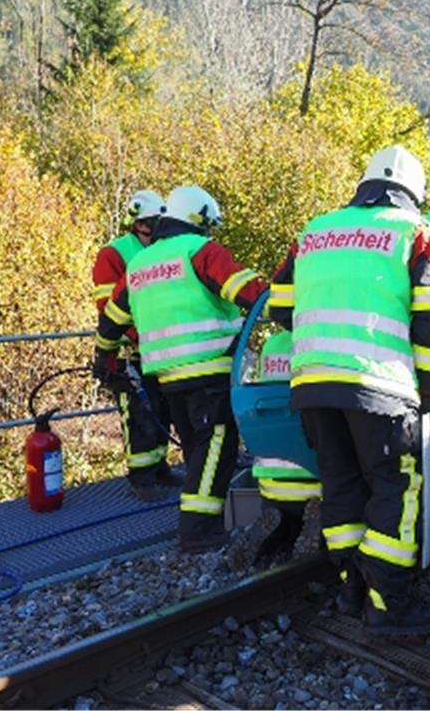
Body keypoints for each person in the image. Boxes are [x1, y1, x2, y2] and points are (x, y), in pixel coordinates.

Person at [268, 145, 430, 636]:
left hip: (312, 385)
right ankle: (390, 604)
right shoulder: (417, 232)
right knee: (396, 485)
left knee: (342, 484)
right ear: (414, 193)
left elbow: (279, 309)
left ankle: (351, 588)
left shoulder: (314, 231)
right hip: (381, 385)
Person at [94, 185, 268, 553]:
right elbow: (249, 292)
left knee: (197, 450)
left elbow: (111, 320)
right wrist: (286, 303)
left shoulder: (140, 264)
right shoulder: (201, 251)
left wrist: (104, 357)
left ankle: (205, 521)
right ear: (199, 220)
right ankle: (198, 532)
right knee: (216, 449)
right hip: (210, 371)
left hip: (166, 377)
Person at [91, 189, 183, 502]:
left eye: (157, 221)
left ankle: (159, 467)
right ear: (136, 223)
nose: (152, 228)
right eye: (147, 223)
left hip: (159, 346)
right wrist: (129, 341)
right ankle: (141, 477)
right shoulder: (115, 254)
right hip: (127, 349)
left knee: (162, 409)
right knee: (138, 413)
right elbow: (111, 307)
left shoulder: (161, 250)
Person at [226, 327, 324, 572]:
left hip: (270, 482)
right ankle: (318, 523)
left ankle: (275, 527)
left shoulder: (273, 344)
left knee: (285, 524)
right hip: (316, 481)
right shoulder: (322, 339)